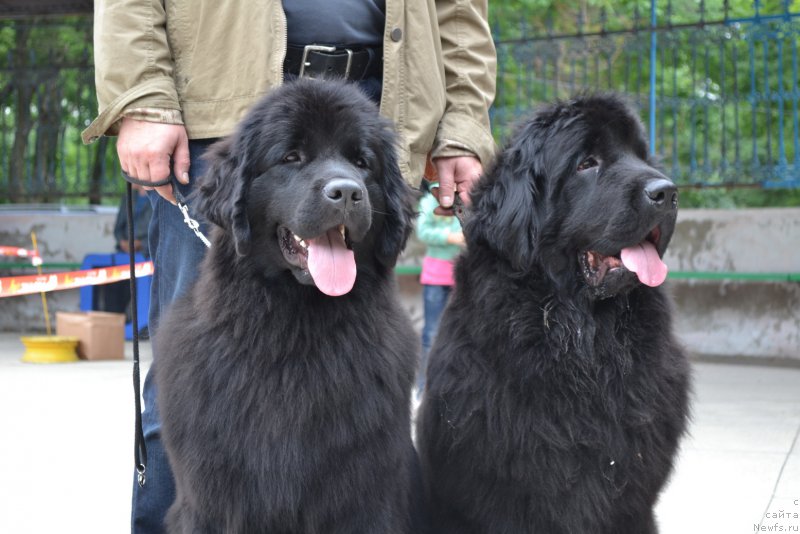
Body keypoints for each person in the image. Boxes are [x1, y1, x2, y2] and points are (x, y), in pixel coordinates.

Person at [82, 2, 496, 532]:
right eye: (300, 160)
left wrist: (460, 125)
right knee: (181, 402)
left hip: (385, 97)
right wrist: (141, 96)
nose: (341, 184)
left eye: (355, 171)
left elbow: (458, 11)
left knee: (369, 436)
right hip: (214, 110)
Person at [415, 180, 464, 395]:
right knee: (431, 332)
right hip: (435, 276)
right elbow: (423, 232)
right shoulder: (428, 202)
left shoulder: (465, 201)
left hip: (461, 277)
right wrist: (450, 237)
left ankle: (452, 385)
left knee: (459, 335)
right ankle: (423, 385)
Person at [96, 183, 152, 316]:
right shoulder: (128, 197)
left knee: (138, 288)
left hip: (146, 253)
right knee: (112, 283)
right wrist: (123, 242)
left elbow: (159, 229)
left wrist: (141, 244)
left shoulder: (157, 197)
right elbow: (118, 228)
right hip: (124, 252)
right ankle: (113, 319)